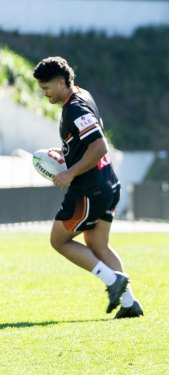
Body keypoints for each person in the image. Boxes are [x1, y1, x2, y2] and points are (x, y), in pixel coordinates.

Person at [33, 56, 143, 319]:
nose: (44, 93)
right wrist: (66, 152)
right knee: (97, 244)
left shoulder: (75, 109)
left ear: (61, 82)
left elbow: (99, 146)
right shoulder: (83, 95)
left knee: (58, 240)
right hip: (107, 182)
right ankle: (129, 304)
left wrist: (69, 172)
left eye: (47, 87)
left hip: (89, 188)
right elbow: (88, 140)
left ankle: (112, 281)